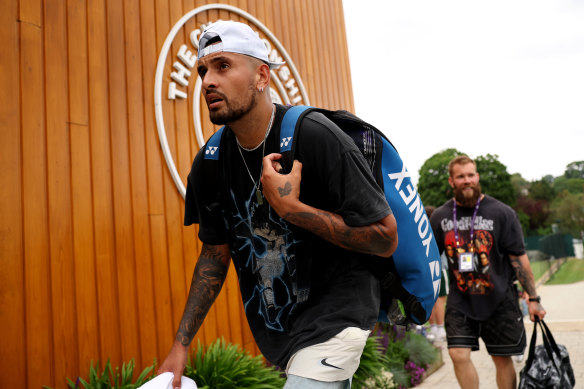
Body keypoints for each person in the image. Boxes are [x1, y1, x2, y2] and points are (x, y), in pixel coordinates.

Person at [157, 20, 398, 389]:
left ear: (262, 76)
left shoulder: (315, 135)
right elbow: (213, 256)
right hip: (281, 331)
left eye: (223, 66)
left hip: (339, 314)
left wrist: (293, 210)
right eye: (203, 70)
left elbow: (384, 238)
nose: (207, 81)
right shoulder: (209, 163)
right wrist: (180, 344)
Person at [429, 155, 546, 389]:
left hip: (499, 299)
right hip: (461, 300)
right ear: (452, 181)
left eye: (471, 175)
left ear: (478, 177)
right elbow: (428, 259)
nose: (467, 181)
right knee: (458, 354)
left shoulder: (502, 213)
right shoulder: (440, 216)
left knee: (502, 359)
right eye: (461, 176)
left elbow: (519, 259)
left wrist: (533, 298)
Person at [425, 206, 448, 343]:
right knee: (440, 299)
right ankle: (440, 329)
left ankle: (433, 328)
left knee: (431, 299)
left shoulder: (422, 230)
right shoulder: (437, 228)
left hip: (427, 268)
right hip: (440, 266)